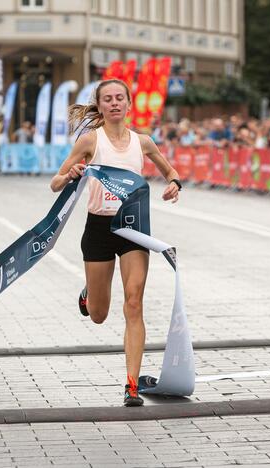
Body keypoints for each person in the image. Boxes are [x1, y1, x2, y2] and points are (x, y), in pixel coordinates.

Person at [49, 79, 181, 407]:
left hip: (134, 230)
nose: (114, 103)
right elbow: (55, 183)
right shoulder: (90, 141)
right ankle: (89, 295)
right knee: (99, 314)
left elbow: (171, 172)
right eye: (107, 99)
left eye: (119, 98)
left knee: (134, 303)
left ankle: (132, 385)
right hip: (99, 229)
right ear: (101, 105)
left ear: (128, 103)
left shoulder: (143, 142)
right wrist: (70, 175)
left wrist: (174, 184)